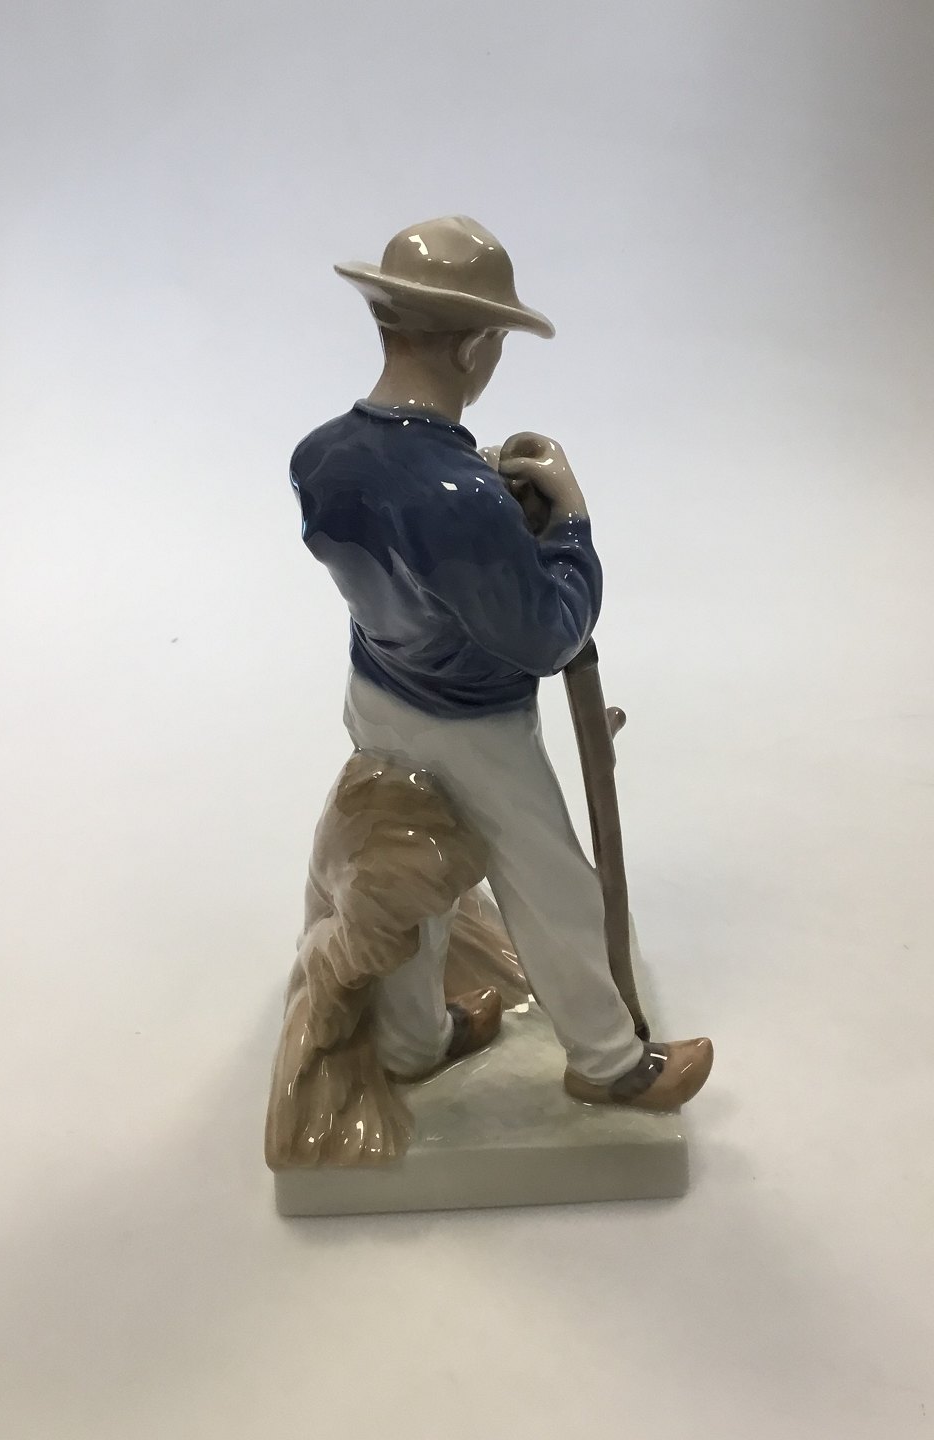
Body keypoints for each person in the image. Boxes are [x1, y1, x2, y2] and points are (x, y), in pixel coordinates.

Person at [289, 215, 713, 1110]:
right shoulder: (462, 499)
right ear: (475, 345)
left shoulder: (320, 455)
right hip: (473, 724)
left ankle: (412, 1042)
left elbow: (405, 538)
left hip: (374, 691)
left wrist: (479, 489)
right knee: (549, 882)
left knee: (412, 869)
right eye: (497, 343)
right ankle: (609, 1062)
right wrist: (569, 524)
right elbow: (548, 636)